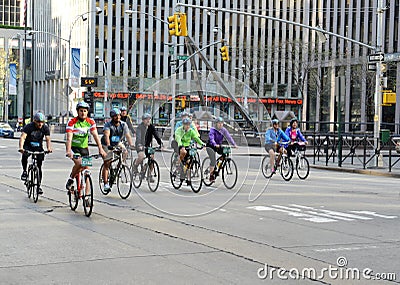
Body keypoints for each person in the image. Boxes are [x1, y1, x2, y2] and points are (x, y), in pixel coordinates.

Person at [65, 102, 106, 192]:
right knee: (79, 163)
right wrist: (68, 151)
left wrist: (100, 148)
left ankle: (87, 196)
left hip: (84, 148)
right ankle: (71, 179)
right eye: (81, 111)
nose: (83, 113)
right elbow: (69, 138)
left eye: (84, 111)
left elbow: (95, 136)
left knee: (87, 170)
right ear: (77, 112)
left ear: (87, 112)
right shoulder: (72, 122)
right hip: (73, 147)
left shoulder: (90, 122)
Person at [101, 108, 134, 192]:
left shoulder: (123, 124)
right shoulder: (108, 125)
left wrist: (132, 145)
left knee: (125, 151)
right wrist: (108, 145)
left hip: (117, 142)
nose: (118, 117)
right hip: (107, 144)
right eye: (116, 116)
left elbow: (128, 135)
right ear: (112, 117)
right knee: (107, 163)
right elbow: (106, 135)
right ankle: (105, 183)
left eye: (119, 115)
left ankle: (121, 164)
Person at [18, 112, 53, 194]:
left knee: (39, 167)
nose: (40, 124)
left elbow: (48, 139)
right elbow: (23, 137)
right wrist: (21, 148)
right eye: (38, 122)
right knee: (25, 155)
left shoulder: (45, 128)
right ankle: (24, 171)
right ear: (34, 121)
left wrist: (49, 148)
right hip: (28, 145)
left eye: (42, 122)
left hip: (38, 147)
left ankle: (39, 186)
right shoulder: (29, 127)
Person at [206, 117, 238, 182]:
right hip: (211, 146)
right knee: (213, 160)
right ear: (216, 124)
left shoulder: (224, 130)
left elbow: (229, 137)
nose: (220, 125)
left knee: (224, 154)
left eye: (222, 123)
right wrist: (214, 144)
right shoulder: (212, 129)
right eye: (219, 123)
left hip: (218, 145)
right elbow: (211, 138)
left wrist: (234, 144)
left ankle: (218, 166)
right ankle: (211, 176)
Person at [132, 113, 163, 179]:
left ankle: (149, 175)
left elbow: (156, 135)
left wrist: (160, 144)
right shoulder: (140, 127)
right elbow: (138, 137)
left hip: (148, 145)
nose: (148, 120)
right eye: (146, 119)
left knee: (151, 158)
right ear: (143, 120)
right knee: (141, 156)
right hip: (139, 144)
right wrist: (139, 144)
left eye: (149, 119)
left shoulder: (151, 127)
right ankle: (135, 166)